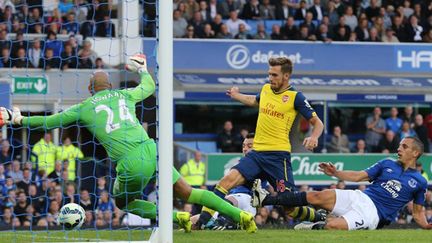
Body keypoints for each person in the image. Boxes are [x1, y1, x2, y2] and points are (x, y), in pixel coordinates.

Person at [0, 54, 256, 233]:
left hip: (130, 162)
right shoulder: (125, 94)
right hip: (152, 150)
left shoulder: (84, 107)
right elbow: (149, 86)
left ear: (91, 89)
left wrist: (17, 118)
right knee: (188, 192)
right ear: (110, 85)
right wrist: (143, 68)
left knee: (122, 202)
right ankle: (242, 217)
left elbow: (50, 122)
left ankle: (178, 218)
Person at [195, 56, 324, 228]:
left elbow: (318, 123)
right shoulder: (265, 89)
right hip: (256, 154)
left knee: (289, 207)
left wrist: (314, 137)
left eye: (275, 75)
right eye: (269, 74)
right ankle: (202, 223)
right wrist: (236, 95)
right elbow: (254, 101)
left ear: (286, 76)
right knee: (226, 181)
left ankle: (318, 217)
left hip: (278, 157)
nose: (270, 78)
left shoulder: (295, 97)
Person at [252, 137, 432, 231]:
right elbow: (358, 176)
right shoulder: (387, 163)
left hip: (372, 214)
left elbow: (417, 213)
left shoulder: (420, 181)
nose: (399, 148)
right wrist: (336, 173)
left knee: (332, 227)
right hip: (360, 197)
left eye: (404, 147)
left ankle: (317, 225)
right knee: (316, 195)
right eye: (400, 145)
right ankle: (264, 199)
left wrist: (425, 226)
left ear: (415, 153)